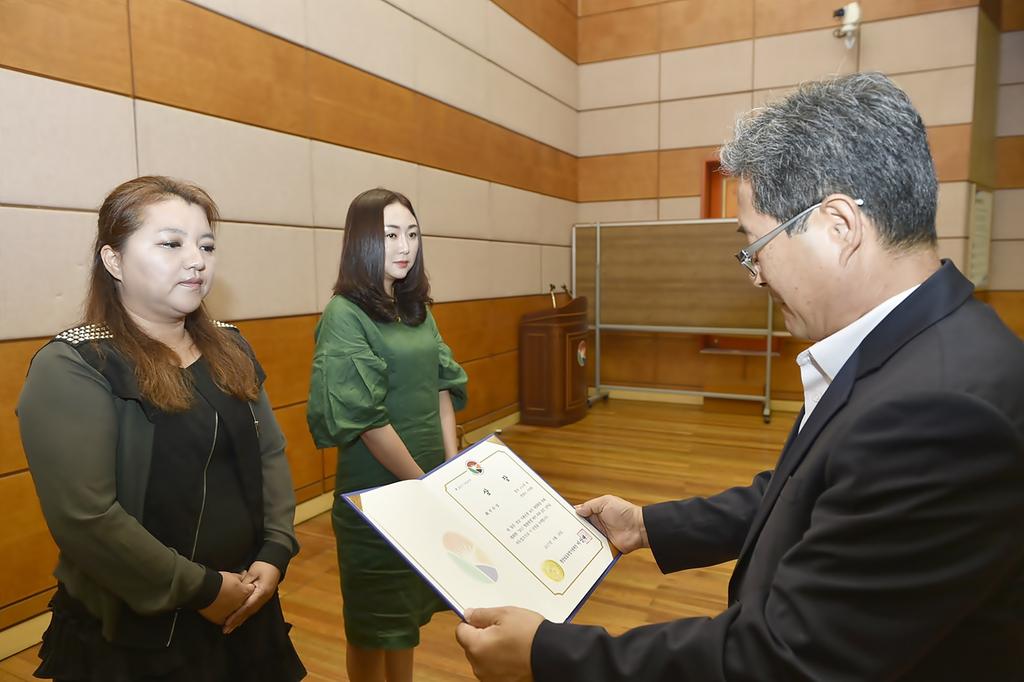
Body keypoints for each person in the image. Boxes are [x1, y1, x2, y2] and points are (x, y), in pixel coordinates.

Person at [456, 72, 1024, 681]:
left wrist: (548, 656)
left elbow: (784, 660)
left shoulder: (938, 413)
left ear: (839, 227)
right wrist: (647, 525)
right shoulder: (916, 346)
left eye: (756, 247)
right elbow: (803, 494)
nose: (755, 276)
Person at [17, 176, 306, 682]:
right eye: (171, 243)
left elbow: (270, 455)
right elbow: (88, 519)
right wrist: (202, 590)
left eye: (206, 245)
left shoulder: (231, 346)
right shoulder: (75, 364)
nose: (196, 260)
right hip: (139, 632)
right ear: (114, 261)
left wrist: (276, 550)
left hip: (246, 601)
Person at [306, 188, 468, 682]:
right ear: (362, 242)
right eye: (390, 235)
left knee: (405, 622)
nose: (405, 246)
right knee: (372, 626)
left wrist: (452, 472)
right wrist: (424, 486)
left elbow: (443, 386)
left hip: (428, 486)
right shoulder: (345, 314)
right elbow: (367, 421)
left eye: (412, 234)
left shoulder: (416, 308)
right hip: (376, 496)